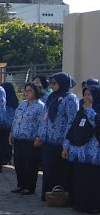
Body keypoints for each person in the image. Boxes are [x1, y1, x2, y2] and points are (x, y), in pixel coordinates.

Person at [37, 72, 79, 201]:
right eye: (51, 82)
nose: (52, 85)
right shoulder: (51, 97)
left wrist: (66, 143)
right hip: (48, 140)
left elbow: (71, 122)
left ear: (62, 83)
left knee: (59, 171)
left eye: (54, 83)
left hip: (60, 142)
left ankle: (59, 197)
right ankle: (48, 195)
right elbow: (45, 119)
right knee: (48, 170)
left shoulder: (70, 98)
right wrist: (40, 135)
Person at [62, 85, 100, 213]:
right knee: (80, 179)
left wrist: (90, 111)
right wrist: (66, 147)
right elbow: (72, 130)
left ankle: (92, 206)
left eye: (90, 95)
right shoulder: (81, 111)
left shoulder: (95, 111)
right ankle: (79, 203)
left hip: (93, 153)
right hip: (79, 152)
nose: (86, 98)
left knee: (92, 180)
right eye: (85, 95)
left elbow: (96, 124)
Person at [9, 82, 44, 195]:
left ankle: (29, 186)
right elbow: (16, 120)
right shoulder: (22, 104)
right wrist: (11, 133)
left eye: (30, 91)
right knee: (19, 163)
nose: (27, 93)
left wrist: (39, 137)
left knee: (30, 164)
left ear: (36, 92)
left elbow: (42, 124)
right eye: (26, 90)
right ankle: (21, 184)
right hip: (19, 138)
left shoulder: (40, 106)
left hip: (31, 140)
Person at [1, 81, 19, 165]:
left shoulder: (13, 102)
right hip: (1, 125)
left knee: (7, 144)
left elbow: (14, 115)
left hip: (8, 126)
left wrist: (9, 124)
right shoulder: (2, 100)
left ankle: (7, 158)